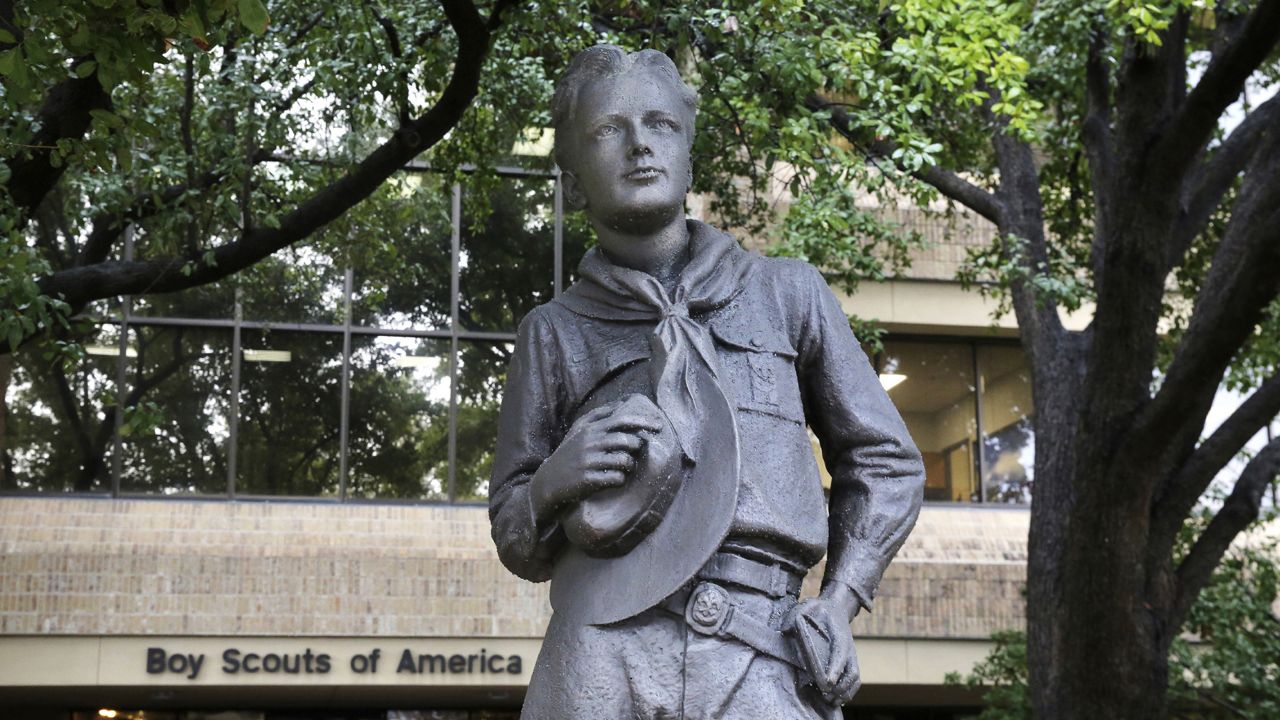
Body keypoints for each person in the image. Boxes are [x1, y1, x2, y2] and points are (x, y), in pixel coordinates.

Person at [489, 44, 924, 720]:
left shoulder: (788, 294)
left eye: (660, 124)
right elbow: (515, 538)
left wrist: (841, 600)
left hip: (761, 647)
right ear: (573, 180)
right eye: (608, 131)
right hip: (599, 645)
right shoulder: (553, 331)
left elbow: (885, 459)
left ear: (689, 151)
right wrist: (551, 482)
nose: (639, 145)